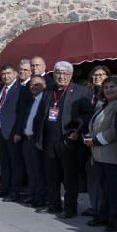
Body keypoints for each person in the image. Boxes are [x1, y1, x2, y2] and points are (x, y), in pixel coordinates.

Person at [38, 62, 93, 218]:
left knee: (69, 177)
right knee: (52, 176)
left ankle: (70, 208)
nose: (61, 76)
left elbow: (87, 115)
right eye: (58, 73)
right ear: (53, 74)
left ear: (71, 75)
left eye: (65, 73)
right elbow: (41, 116)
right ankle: (54, 204)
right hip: (50, 140)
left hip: (68, 140)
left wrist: (78, 130)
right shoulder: (48, 91)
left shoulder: (82, 92)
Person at [84, 79, 117, 231]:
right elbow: (95, 124)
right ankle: (103, 216)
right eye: (106, 87)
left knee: (115, 190)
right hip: (99, 154)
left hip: (113, 154)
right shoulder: (103, 105)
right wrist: (89, 136)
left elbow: (116, 129)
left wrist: (96, 140)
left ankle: (115, 220)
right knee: (104, 188)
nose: (109, 90)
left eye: (112, 87)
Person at [0, 64, 27, 200]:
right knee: (4, 162)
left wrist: (19, 131)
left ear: (15, 74)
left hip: (13, 131)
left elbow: (21, 113)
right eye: (4, 74)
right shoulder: (1, 89)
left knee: (15, 163)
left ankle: (15, 191)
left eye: (9, 73)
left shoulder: (21, 90)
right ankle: (4, 187)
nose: (6, 76)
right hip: (0, 130)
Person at [19, 76, 49, 208]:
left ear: (44, 85)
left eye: (37, 85)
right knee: (31, 170)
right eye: (31, 85)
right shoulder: (32, 100)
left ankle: (40, 197)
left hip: (37, 140)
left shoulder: (45, 100)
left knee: (39, 170)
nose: (34, 87)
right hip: (27, 138)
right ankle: (33, 194)